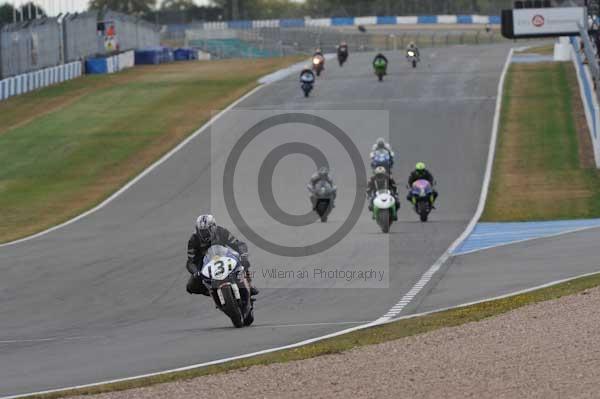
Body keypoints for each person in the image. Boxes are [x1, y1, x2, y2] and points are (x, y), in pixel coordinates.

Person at [185, 214, 259, 297]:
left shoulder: (221, 231)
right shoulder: (193, 240)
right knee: (190, 286)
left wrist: (244, 257)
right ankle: (210, 291)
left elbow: (239, 244)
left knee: (243, 263)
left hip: (223, 257)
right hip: (205, 264)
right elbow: (190, 261)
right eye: (201, 231)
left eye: (206, 231)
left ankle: (248, 284)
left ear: (213, 227)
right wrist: (196, 272)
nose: (204, 234)